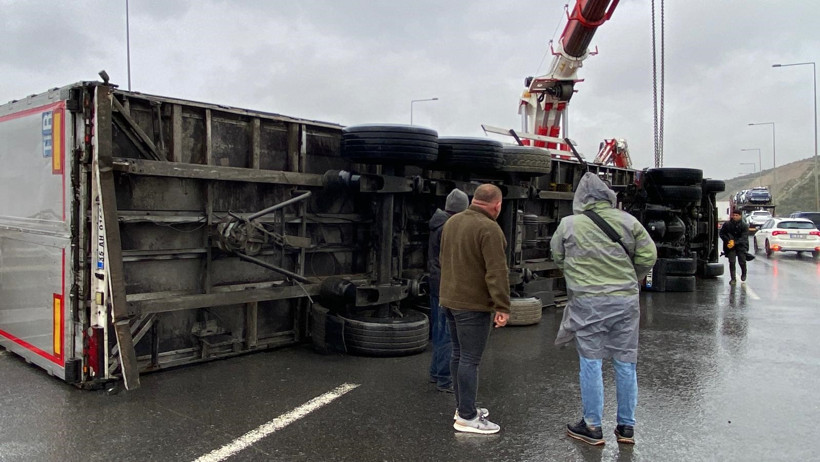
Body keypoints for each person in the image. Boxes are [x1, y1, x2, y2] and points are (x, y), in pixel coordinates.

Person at [551, 172, 658, 446]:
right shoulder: (629, 221)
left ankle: (592, 426)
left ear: (581, 197)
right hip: (624, 302)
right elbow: (649, 255)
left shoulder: (568, 225)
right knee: (625, 361)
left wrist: (576, 275)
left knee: (591, 361)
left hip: (587, 302)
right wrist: (631, 277)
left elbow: (557, 255)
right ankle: (626, 427)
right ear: (608, 196)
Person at [439, 183, 510, 435]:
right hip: (473, 304)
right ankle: (467, 417)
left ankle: (463, 407)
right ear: (497, 205)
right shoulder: (489, 228)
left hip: (449, 299)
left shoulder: (452, 222)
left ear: (474, 199)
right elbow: (496, 272)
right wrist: (502, 305)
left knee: (458, 355)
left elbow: (444, 260)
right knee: (470, 359)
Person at [427, 188, 469, 393]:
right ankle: (445, 378)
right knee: (448, 333)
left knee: (439, 329)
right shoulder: (450, 227)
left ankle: (436, 372)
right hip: (446, 284)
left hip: (436, 281)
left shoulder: (438, 223)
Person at [719, 209, 749, 284]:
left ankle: (744, 273)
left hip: (741, 246)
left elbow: (744, 237)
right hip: (730, 246)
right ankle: (733, 279)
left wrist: (735, 242)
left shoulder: (744, 225)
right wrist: (727, 240)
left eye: (736, 215)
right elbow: (722, 233)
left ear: (740, 216)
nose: (735, 217)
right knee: (732, 262)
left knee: (742, 261)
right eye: (733, 215)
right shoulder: (727, 224)